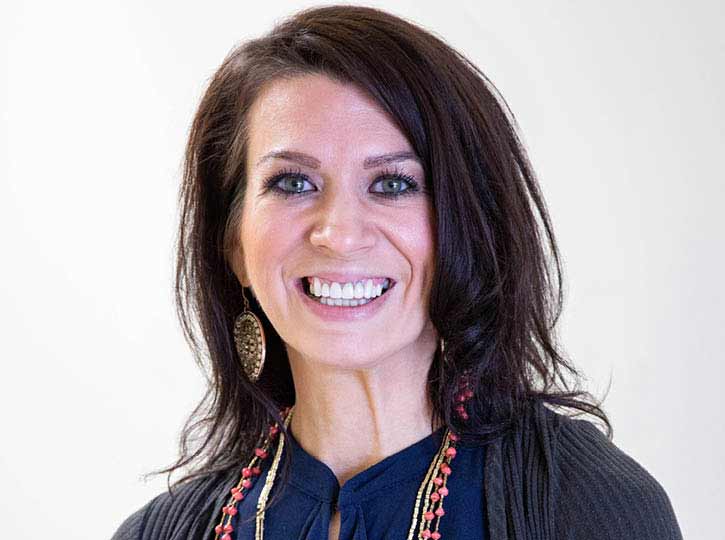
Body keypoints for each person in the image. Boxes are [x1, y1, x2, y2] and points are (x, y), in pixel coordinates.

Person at [112, 5, 682, 540]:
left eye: (392, 184)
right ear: (233, 242)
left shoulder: (584, 506)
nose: (338, 233)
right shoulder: (161, 531)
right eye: (292, 182)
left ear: (466, 226)